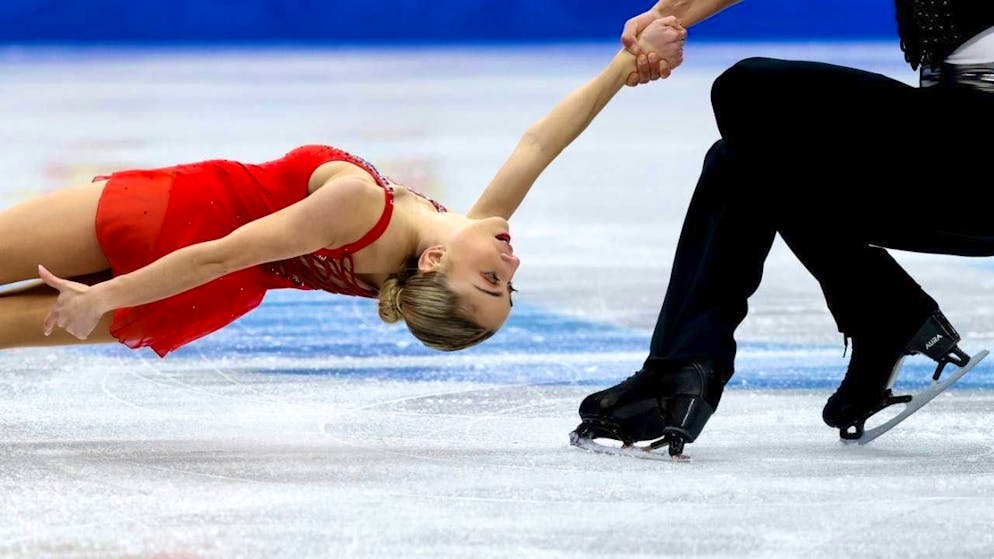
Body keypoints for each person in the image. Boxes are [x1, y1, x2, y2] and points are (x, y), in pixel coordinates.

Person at [0, 19, 687, 358]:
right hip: (199, 293)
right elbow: (541, 143)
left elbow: (221, 249)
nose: (512, 264)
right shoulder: (460, 229)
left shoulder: (361, 209)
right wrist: (625, 64)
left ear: (434, 265)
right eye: (510, 285)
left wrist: (109, 294)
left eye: (491, 281)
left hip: (177, 224)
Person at [573, 0, 994, 455]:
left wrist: (665, 18)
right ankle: (682, 366)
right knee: (743, 161)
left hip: (976, 164)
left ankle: (886, 312)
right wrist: (664, 17)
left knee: (750, 92)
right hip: (953, 173)